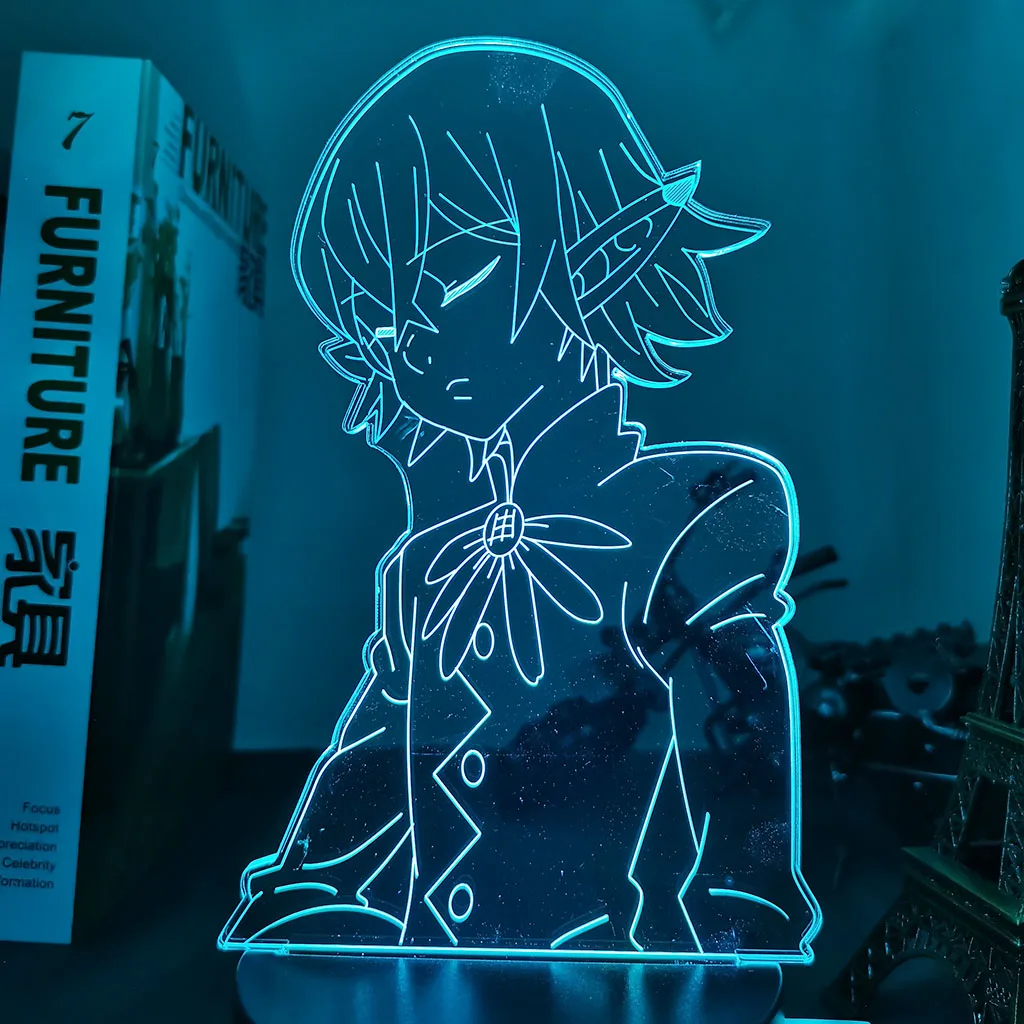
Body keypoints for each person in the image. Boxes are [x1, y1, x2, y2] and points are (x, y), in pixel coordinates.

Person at [220, 37, 821, 960]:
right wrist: (307, 891)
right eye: (384, 321)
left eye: (448, 273)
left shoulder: (699, 508)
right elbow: (371, 759)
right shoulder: (426, 567)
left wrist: (738, 919)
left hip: (625, 970)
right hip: (432, 970)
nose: (416, 337)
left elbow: (738, 740)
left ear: (591, 248)